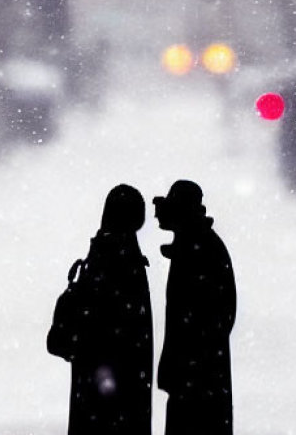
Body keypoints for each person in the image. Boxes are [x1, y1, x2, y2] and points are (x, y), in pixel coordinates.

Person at [68, 184, 153, 435]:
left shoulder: (103, 251)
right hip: (115, 379)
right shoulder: (121, 255)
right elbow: (115, 324)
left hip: (101, 378)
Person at [154, 180, 236, 435]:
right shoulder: (197, 246)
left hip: (196, 377)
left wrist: (189, 363)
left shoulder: (199, 250)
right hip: (196, 376)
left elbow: (213, 317)